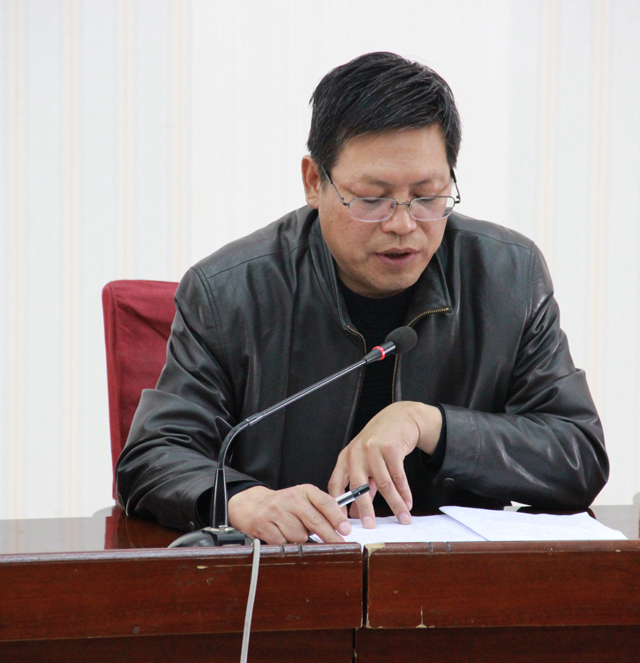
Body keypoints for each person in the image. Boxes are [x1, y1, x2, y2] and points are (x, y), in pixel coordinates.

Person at [116, 52, 608, 545]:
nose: (403, 224)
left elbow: (578, 454)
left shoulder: (509, 277)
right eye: (373, 199)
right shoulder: (228, 292)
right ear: (314, 182)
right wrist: (246, 501)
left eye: (428, 196)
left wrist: (430, 424)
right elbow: (153, 454)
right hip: (286, 575)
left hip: (453, 578)